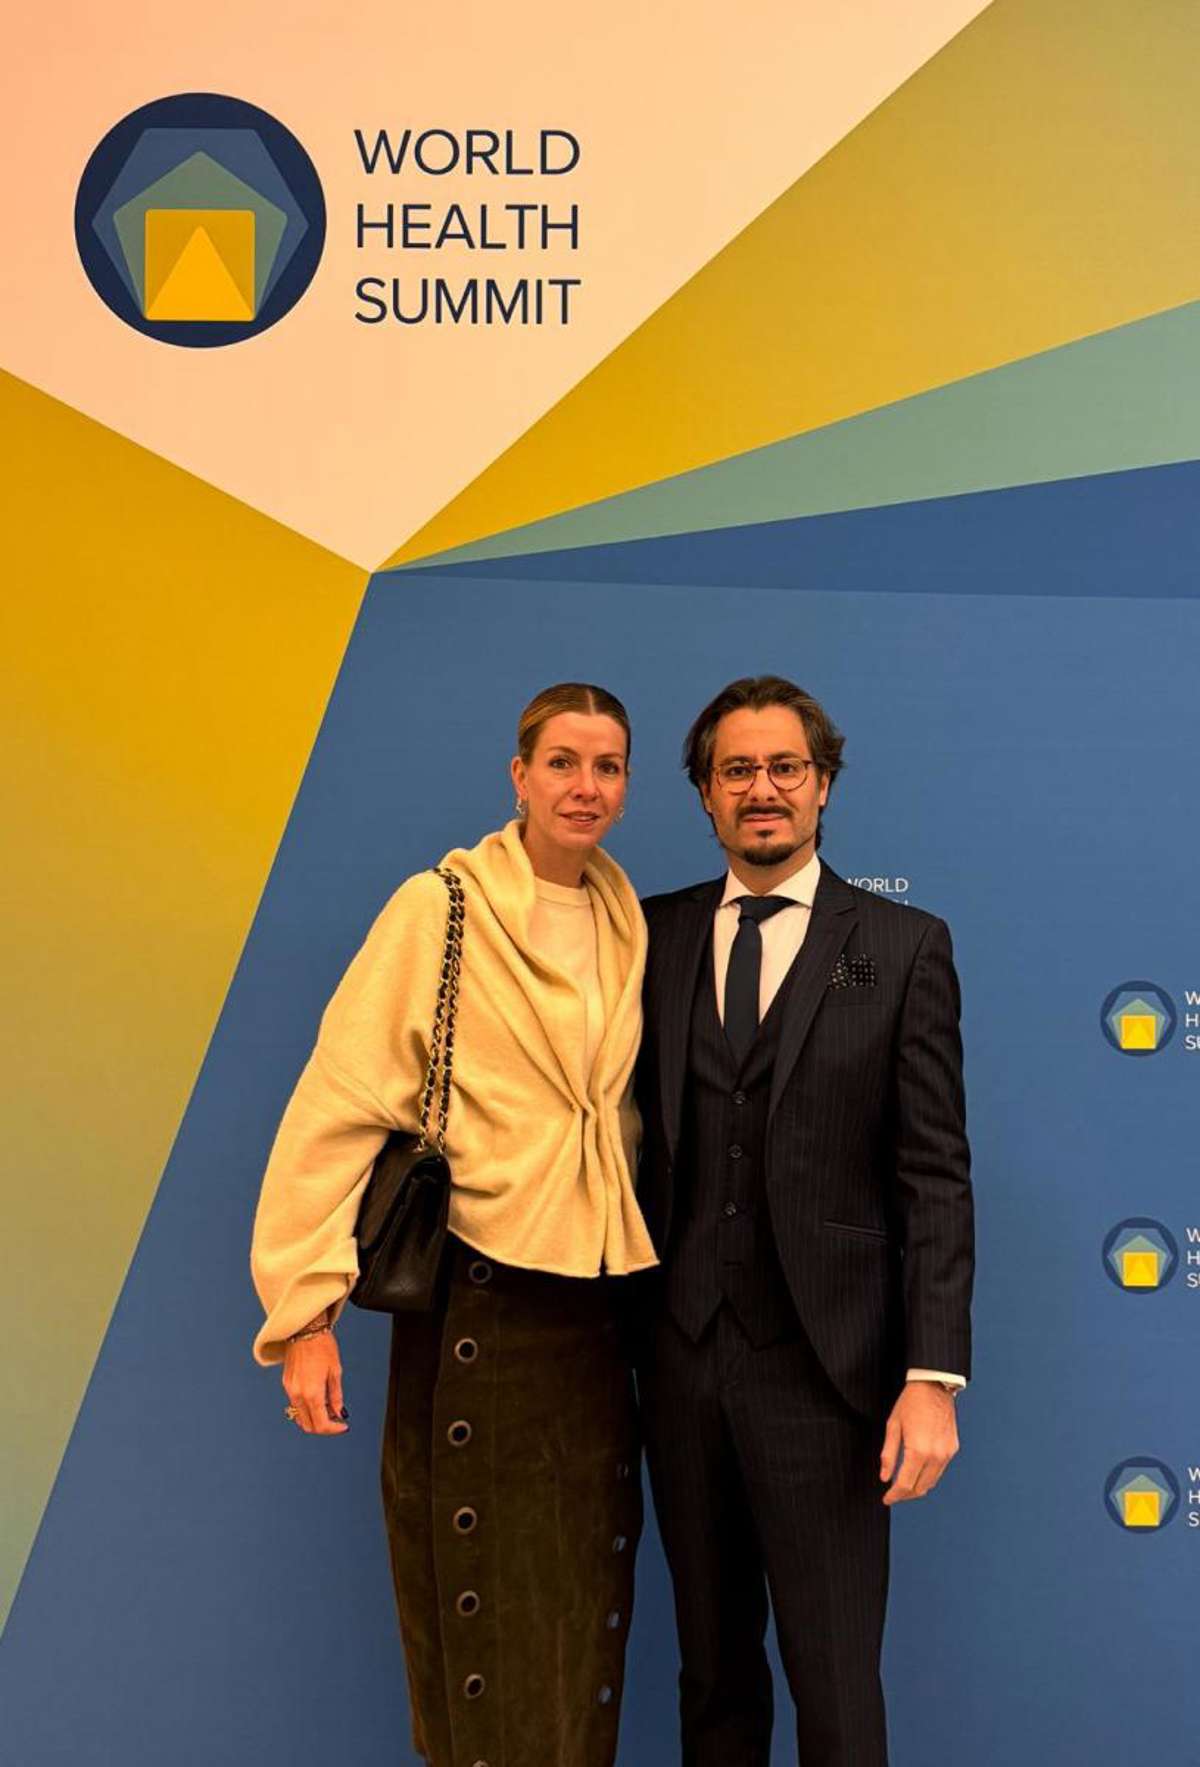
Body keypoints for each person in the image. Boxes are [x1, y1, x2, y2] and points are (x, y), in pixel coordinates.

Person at [250, 682, 658, 1767]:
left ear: (627, 786)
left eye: (607, 766)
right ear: (519, 776)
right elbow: (337, 1107)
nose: (584, 786)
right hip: (480, 1298)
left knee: (573, 1615)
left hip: (597, 1312)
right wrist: (304, 1314)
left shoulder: (626, 918)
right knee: (480, 1618)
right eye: (562, 762)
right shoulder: (441, 908)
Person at [634, 675, 974, 1766]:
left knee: (834, 1684)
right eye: (736, 770)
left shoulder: (902, 946)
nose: (762, 789)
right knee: (712, 1677)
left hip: (828, 1379)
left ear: (823, 785)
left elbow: (934, 1173)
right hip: (678, 1364)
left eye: (785, 767)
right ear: (705, 794)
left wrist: (932, 1376)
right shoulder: (650, 935)